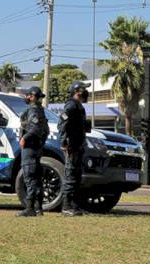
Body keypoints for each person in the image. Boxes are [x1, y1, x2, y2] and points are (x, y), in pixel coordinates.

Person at [58, 80, 91, 216]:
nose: (86, 92)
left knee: (77, 176)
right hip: (72, 145)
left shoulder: (79, 106)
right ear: (77, 91)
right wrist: (64, 142)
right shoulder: (71, 105)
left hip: (79, 145)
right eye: (83, 89)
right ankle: (66, 206)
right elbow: (62, 123)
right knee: (70, 175)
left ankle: (74, 205)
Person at [17, 86, 49, 217]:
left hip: (30, 148)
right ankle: (38, 208)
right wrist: (41, 142)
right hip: (37, 148)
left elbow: (35, 128)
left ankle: (30, 208)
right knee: (37, 178)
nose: (26, 97)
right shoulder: (41, 111)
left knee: (29, 177)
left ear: (33, 96)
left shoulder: (33, 110)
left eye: (28, 95)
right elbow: (45, 131)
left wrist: (25, 138)